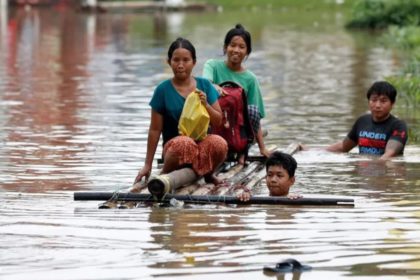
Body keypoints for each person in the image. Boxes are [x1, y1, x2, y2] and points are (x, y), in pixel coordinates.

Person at [134, 37, 228, 186]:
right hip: (175, 149)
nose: (180, 65)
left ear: (194, 62)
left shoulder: (205, 85)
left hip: (201, 147)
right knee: (185, 143)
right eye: (176, 60)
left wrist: (206, 105)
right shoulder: (162, 90)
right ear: (169, 62)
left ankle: (208, 174)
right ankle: (165, 174)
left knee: (219, 143)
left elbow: (218, 120)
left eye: (186, 60)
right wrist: (147, 164)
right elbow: (155, 129)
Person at [202, 23, 270, 162]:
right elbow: (204, 84)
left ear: (247, 52)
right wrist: (213, 86)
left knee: (252, 110)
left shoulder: (250, 79)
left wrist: (263, 148)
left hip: (237, 132)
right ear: (225, 47)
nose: (236, 50)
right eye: (232, 45)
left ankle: (241, 150)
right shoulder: (212, 66)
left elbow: (255, 117)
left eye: (241, 47)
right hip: (213, 124)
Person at [326, 81, 408, 161]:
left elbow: (389, 154)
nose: (377, 105)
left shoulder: (398, 126)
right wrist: (320, 152)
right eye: (374, 100)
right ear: (368, 101)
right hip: (363, 171)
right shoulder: (362, 121)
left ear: (392, 104)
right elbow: (344, 147)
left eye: (383, 101)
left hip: (386, 171)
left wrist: (374, 166)